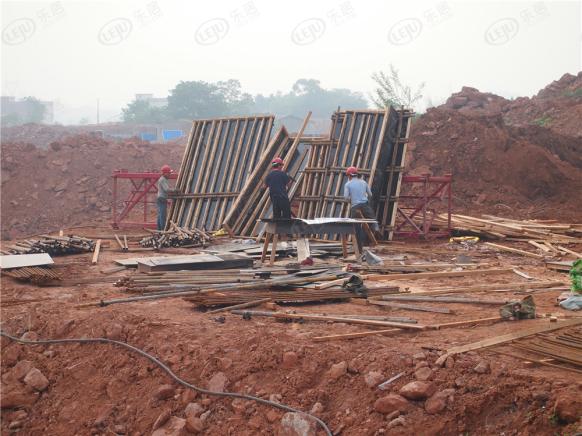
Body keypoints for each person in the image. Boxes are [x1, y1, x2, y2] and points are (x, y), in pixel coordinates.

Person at [343, 166, 378, 250]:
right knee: (371, 222)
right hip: (365, 205)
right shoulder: (364, 182)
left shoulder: (348, 184)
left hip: (355, 207)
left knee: (356, 227)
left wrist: (352, 201)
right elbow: (370, 195)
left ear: (349, 176)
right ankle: (369, 240)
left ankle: (359, 247)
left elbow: (346, 198)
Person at [156, 165, 173, 230]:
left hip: (161, 199)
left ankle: (159, 229)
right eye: (169, 173)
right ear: (165, 173)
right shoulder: (163, 180)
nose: (170, 174)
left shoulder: (163, 179)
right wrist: (174, 190)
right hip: (162, 199)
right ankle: (163, 230)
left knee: (160, 215)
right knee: (162, 215)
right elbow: (167, 189)